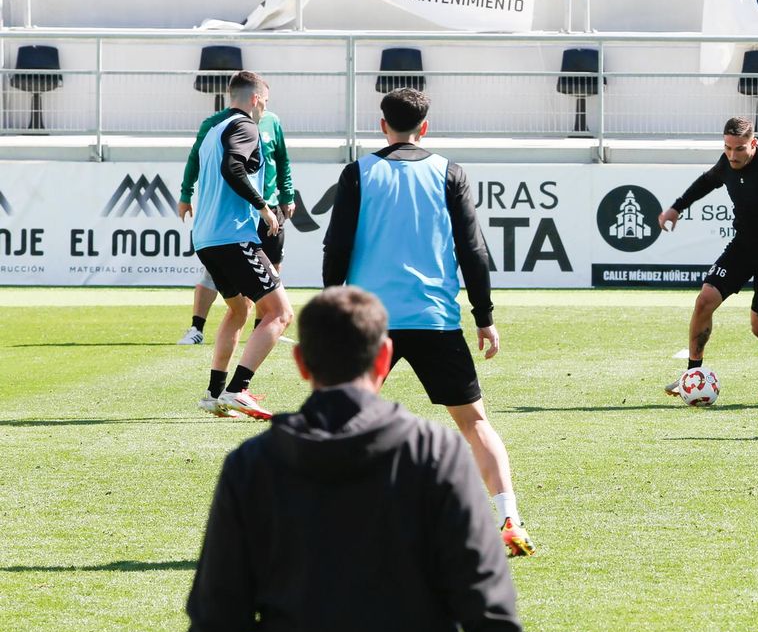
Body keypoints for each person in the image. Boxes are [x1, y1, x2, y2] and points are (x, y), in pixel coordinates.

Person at [169, 286, 544, 632]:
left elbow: (217, 624)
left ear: (299, 364)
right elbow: (485, 602)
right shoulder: (436, 455)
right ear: (385, 358)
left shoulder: (254, 465)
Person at [323, 88, 533, 557]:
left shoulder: (358, 172)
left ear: (382, 125)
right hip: (435, 319)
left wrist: (332, 304)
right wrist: (484, 316)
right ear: (426, 126)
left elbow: (336, 245)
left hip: (368, 320)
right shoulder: (449, 173)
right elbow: (473, 250)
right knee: (475, 423)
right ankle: (510, 519)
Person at [658, 117, 758, 401]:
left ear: (753, 144)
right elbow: (706, 182)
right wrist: (676, 207)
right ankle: (691, 373)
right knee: (704, 299)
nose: (732, 155)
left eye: (739, 149)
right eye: (727, 148)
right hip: (743, 247)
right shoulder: (726, 163)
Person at [189, 71, 292, 421]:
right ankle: (238, 389)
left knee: (238, 311)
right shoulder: (245, 126)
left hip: (206, 239)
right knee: (280, 313)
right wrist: (263, 205)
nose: (265, 108)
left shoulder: (212, 131)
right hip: (233, 236)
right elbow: (233, 167)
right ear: (256, 99)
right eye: (265, 101)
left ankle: (214, 393)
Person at [178, 100, 296, 345]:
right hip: (235, 218)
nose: (266, 103)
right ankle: (196, 327)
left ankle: (261, 331)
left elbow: (282, 159)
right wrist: (186, 192)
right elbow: (203, 161)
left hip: (269, 208)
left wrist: (287, 195)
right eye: (264, 97)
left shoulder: (272, 121)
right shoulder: (216, 124)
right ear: (255, 98)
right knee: (217, 275)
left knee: (270, 270)